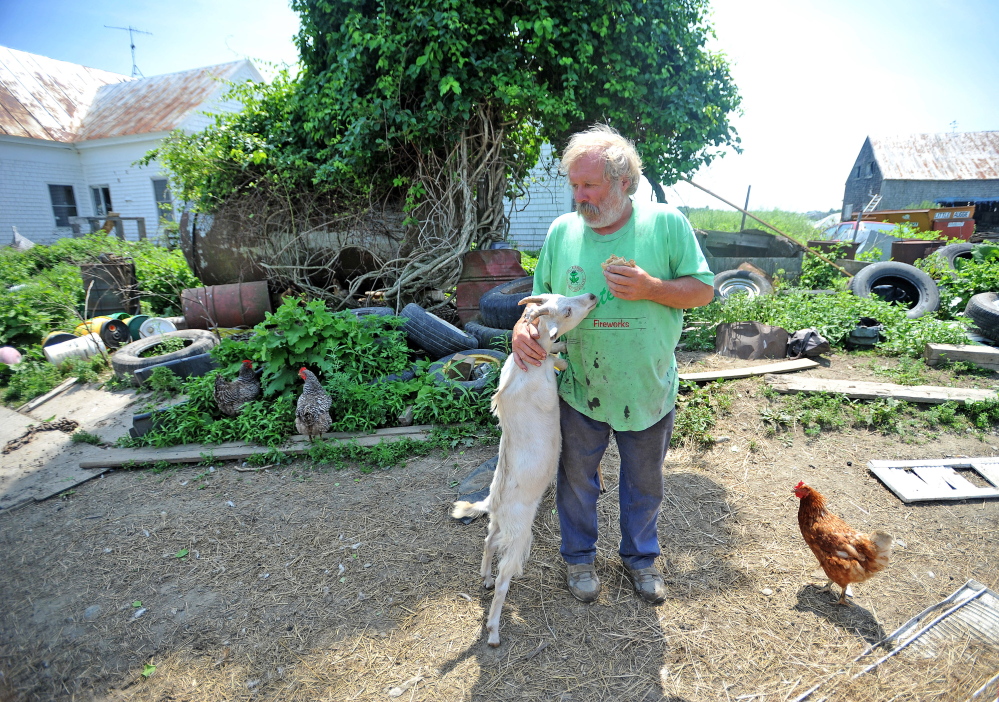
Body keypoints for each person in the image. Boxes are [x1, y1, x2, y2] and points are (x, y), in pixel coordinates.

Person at [511, 124, 714, 604]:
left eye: (590, 185)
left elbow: (703, 290)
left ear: (623, 181)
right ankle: (579, 559)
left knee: (645, 481)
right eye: (574, 185)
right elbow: (535, 303)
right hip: (580, 385)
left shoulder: (666, 224)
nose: (579, 196)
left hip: (646, 385)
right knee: (577, 478)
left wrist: (652, 288)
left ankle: (640, 559)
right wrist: (522, 329)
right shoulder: (563, 232)